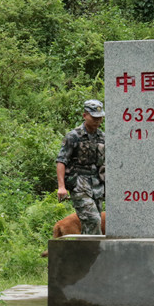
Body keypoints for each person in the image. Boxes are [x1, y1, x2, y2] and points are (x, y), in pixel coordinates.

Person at [56, 99, 106, 235]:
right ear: (85, 116)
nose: (97, 120)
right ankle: (97, 254)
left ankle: (85, 254)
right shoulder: (74, 136)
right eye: (94, 117)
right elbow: (61, 161)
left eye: (100, 117)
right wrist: (61, 186)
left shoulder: (103, 137)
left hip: (98, 185)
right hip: (79, 184)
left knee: (90, 225)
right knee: (93, 220)